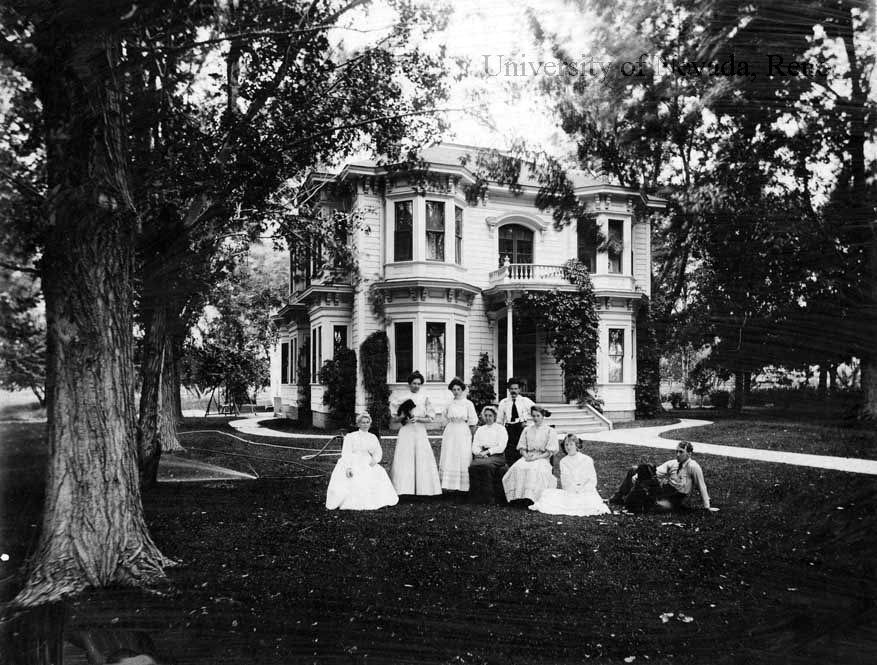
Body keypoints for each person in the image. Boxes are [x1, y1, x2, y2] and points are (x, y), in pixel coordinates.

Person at [609, 441, 712, 511]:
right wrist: (638, 475)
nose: (677, 454)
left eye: (681, 452)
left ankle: (634, 501)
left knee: (652, 506)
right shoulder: (672, 463)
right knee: (634, 469)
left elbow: (702, 486)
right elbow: (656, 472)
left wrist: (707, 507)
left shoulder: (693, 467)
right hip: (664, 491)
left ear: (689, 454)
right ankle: (617, 498)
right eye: (676, 451)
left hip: (676, 497)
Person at [325, 412, 399, 510]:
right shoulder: (351, 436)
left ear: (370, 424)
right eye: (363, 422)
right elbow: (346, 453)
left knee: (379, 472)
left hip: (367, 460)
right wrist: (348, 467)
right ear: (358, 424)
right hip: (353, 460)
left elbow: (378, 452)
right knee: (355, 476)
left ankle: (378, 499)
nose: (365, 425)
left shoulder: (372, 437)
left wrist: (375, 460)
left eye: (367, 422)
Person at [529, 434, 611, 516]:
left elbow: (592, 479)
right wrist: (573, 489)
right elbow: (565, 481)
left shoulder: (587, 459)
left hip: (586, 491)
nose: (568, 447)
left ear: (577, 445)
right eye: (566, 444)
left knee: (589, 503)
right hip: (571, 491)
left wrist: (582, 489)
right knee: (547, 495)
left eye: (571, 444)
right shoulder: (563, 461)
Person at [390, 370, 441, 496]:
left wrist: (418, 418)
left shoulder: (425, 398)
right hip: (406, 430)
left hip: (419, 431)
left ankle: (423, 490)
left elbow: (430, 417)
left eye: (419, 383)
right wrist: (403, 417)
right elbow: (394, 418)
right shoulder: (401, 398)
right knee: (405, 457)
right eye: (414, 383)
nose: (416, 386)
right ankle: (403, 489)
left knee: (421, 457)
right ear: (409, 384)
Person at [502, 405, 559, 503]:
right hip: (528, 456)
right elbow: (522, 447)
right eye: (533, 416)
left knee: (534, 469)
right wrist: (526, 455)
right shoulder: (527, 430)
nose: (535, 418)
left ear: (543, 416)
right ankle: (518, 496)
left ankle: (532, 497)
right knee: (517, 468)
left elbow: (549, 452)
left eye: (538, 415)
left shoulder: (550, 431)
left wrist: (537, 457)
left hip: (542, 458)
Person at [438, 378, 479, 491]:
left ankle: (463, 486)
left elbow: (473, 421)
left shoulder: (468, 404)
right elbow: (444, 417)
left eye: (458, 389)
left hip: (463, 431)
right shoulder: (449, 403)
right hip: (451, 431)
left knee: (462, 455)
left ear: (462, 390)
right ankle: (449, 485)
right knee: (450, 454)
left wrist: (472, 435)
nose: (456, 391)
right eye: (454, 389)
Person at [467, 405, 509, 504]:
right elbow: (475, 445)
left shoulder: (500, 429)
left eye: (490, 415)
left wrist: (488, 452)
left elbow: (501, 446)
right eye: (485, 415)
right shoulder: (480, 429)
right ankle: (476, 497)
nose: (488, 418)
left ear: (494, 416)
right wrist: (479, 453)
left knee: (486, 466)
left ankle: (489, 498)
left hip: (497, 455)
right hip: (482, 455)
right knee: (473, 466)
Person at [496, 377, 535, 465]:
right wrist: (500, 432)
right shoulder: (504, 402)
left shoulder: (525, 401)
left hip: (521, 428)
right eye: (511, 389)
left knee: (522, 450)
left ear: (519, 389)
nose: (513, 391)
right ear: (509, 389)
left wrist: (529, 424)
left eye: (516, 389)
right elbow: (499, 420)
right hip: (509, 429)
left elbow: (536, 412)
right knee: (510, 452)